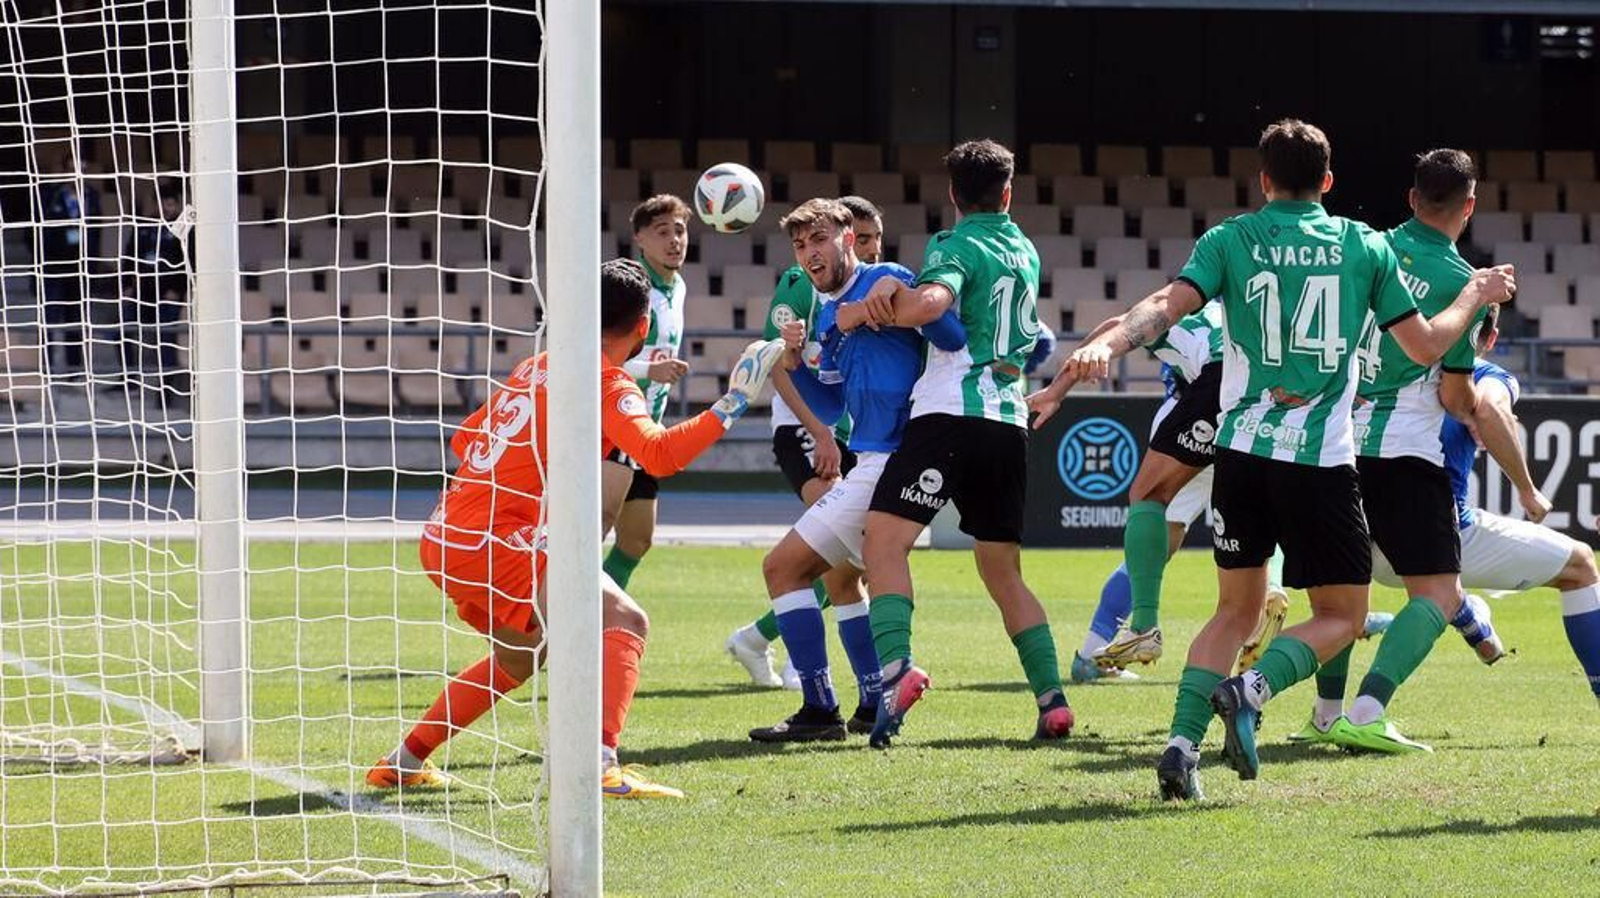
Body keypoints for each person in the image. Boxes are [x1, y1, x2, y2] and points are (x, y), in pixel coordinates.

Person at [1031, 119, 1514, 800]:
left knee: (1233, 612)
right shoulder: (1362, 245)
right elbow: (1427, 347)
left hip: (1240, 455)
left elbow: (1166, 306)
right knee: (1343, 616)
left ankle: (1177, 748)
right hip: (1318, 462)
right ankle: (1251, 690)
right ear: (1328, 181)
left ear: (1262, 180)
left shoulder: (1230, 239)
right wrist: (1476, 293)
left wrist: (1111, 346)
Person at [366, 259, 784, 799]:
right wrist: (733, 402)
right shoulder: (608, 384)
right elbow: (658, 454)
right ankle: (600, 763)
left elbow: (468, 439)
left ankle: (403, 760)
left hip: (446, 533)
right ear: (643, 328)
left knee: (520, 659)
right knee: (627, 620)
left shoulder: (535, 366)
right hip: (498, 539)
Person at [842, 139, 1074, 747]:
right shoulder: (1025, 249)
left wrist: (878, 307)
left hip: (950, 415)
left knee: (883, 543)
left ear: (952, 194)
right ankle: (1052, 701)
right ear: (1008, 191)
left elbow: (931, 306)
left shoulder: (953, 243)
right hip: (1008, 422)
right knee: (1004, 573)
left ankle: (896, 673)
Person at [1300, 304, 1600, 742]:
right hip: (1432, 538)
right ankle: (1375, 702)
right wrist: (1527, 488)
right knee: (1580, 565)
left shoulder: (1372, 365)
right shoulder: (1485, 376)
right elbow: (1490, 411)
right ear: (1490, 338)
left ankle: (1326, 715)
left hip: (1354, 527)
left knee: (1339, 608)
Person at [745, 198, 966, 742]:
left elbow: (952, 335)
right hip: (872, 456)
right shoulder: (822, 313)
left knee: (782, 569)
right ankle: (871, 700)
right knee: (841, 577)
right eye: (800, 246)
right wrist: (794, 361)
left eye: (819, 240)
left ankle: (820, 707)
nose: (810, 254)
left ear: (850, 236)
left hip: (895, 457)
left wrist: (874, 306)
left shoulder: (887, 277)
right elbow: (830, 405)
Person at [725, 196, 884, 689]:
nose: (873, 247)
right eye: (805, 243)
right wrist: (819, 433)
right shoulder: (800, 285)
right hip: (803, 431)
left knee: (845, 564)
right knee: (837, 548)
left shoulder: (871, 290)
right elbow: (776, 360)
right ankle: (806, 666)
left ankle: (757, 639)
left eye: (877, 238)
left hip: (853, 436)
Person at [600, 196, 692, 592]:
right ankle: (565, 618)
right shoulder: (629, 290)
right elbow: (595, 353)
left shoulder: (679, 287)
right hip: (615, 424)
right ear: (639, 238)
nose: (674, 240)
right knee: (598, 523)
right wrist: (648, 370)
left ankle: (593, 615)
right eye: (662, 232)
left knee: (637, 540)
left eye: (680, 230)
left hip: (646, 429)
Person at [124, 189, 190, 395]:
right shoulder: (144, 225)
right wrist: (126, 285)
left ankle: (166, 389)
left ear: (178, 205)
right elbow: (128, 256)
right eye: (162, 204)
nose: (166, 208)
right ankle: (129, 378)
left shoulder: (185, 226)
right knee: (121, 331)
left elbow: (189, 262)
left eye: (170, 204)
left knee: (166, 339)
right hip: (142, 292)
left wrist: (178, 290)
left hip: (168, 294)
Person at [38, 158, 100, 377]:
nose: (78, 173)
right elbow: (39, 231)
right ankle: (46, 369)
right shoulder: (51, 195)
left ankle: (74, 370)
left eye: (82, 169)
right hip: (54, 267)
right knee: (50, 319)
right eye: (73, 169)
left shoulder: (92, 196)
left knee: (76, 320)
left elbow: (97, 231)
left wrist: (92, 263)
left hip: (80, 268)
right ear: (65, 171)